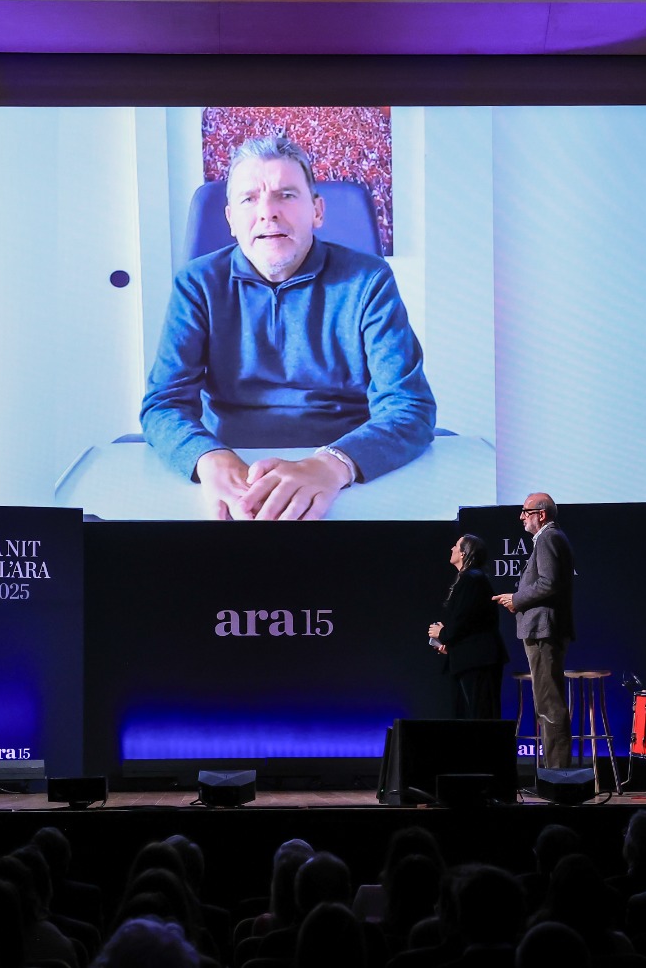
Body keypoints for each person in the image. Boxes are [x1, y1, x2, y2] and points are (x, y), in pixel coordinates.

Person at [140, 133, 436, 521]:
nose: (268, 212)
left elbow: (410, 406)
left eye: (286, 195)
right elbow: (164, 404)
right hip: (233, 474)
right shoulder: (197, 284)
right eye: (249, 199)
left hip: (345, 475)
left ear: (317, 211)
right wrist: (208, 458)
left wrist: (334, 465)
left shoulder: (368, 281)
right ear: (230, 219)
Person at [493, 493, 574, 767]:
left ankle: (558, 775)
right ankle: (556, 774)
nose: (521, 517)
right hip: (543, 629)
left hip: (544, 630)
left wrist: (515, 599)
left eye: (525, 511)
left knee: (549, 706)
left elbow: (549, 583)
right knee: (546, 704)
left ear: (541, 514)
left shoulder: (549, 537)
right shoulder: (550, 538)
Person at [427, 534, 507, 718]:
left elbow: (465, 618)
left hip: (478, 659)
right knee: (470, 715)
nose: (452, 549)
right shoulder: (470, 578)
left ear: (464, 553)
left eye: (456, 546)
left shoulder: (471, 579)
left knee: (480, 714)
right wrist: (449, 642)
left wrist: (443, 633)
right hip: (470, 658)